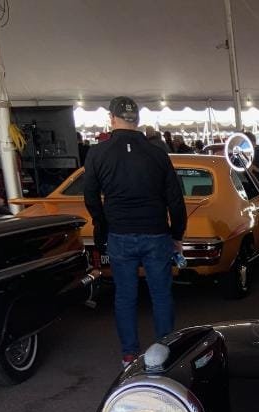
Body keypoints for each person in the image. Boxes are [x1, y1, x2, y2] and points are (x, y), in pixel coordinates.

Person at [84, 96, 187, 367]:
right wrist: (177, 235)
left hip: (119, 234)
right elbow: (175, 199)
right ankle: (165, 349)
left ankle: (129, 354)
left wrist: (101, 226)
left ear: (111, 118)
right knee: (161, 294)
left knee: (125, 295)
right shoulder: (157, 153)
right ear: (138, 120)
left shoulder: (97, 153)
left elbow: (91, 198)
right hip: (156, 233)